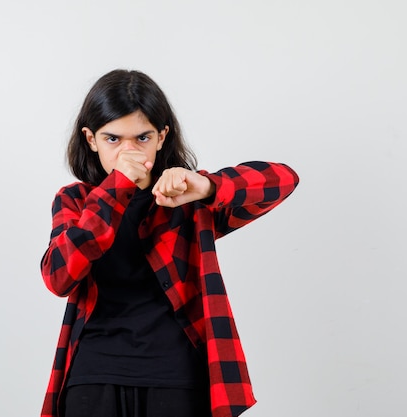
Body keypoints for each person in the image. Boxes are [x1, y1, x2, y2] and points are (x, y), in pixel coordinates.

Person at [40, 69, 299, 417]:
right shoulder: (76, 200)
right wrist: (116, 189)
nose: (128, 151)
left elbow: (282, 179)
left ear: (162, 137)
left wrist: (208, 187)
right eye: (113, 139)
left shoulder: (185, 197)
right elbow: (58, 277)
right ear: (91, 139)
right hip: (94, 375)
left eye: (142, 138)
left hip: (175, 376)